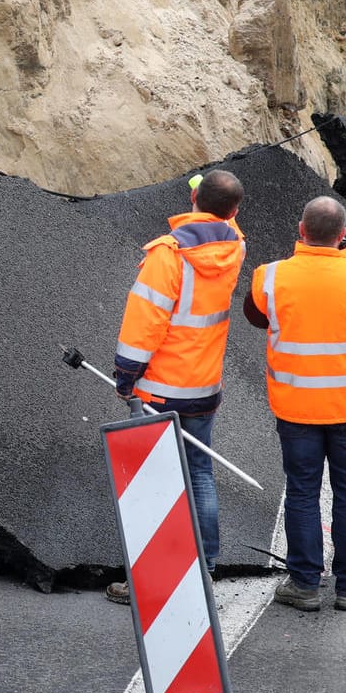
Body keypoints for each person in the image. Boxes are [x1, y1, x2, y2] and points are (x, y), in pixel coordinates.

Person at [244, 196, 346, 612]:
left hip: (296, 408)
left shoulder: (270, 277)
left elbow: (256, 317)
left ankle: (305, 585)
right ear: (344, 237)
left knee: (302, 493)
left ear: (301, 230)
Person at [108, 170, 247, 598]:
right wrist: (206, 205)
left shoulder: (168, 255)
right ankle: (204, 568)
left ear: (194, 201)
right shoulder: (233, 247)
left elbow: (144, 323)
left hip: (160, 388)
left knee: (153, 481)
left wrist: (125, 374)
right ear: (234, 211)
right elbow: (225, 220)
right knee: (199, 473)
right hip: (203, 386)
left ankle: (147, 582)